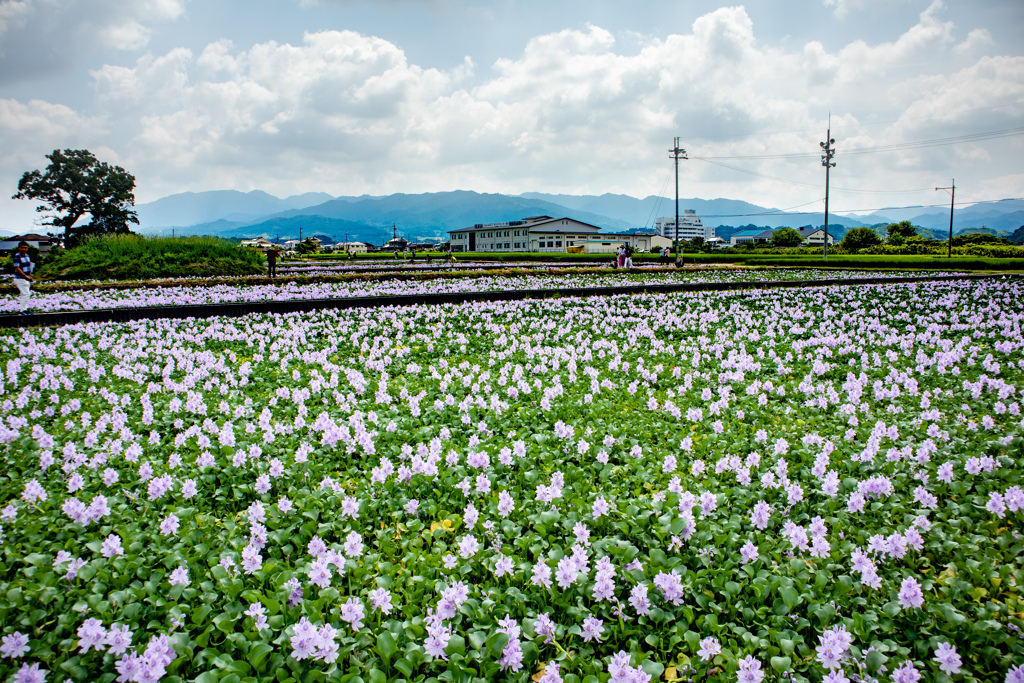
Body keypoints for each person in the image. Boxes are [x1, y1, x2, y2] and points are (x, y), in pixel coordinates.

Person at [12, 241, 33, 313]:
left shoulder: (27, 256)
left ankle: (24, 309)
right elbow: (17, 267)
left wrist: (30, 276)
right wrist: (25, 276)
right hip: (20, 278)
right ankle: (23, 310)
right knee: (26, 294)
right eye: (22, 248)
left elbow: (29, 267)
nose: (23, 249)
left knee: (24, 294)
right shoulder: (17, 256)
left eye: (25, 248)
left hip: (26, 278)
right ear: (19, 248)